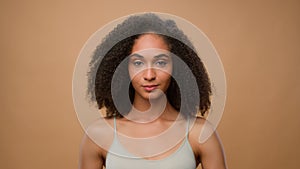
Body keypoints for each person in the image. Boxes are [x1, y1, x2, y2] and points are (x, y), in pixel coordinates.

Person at [79, 13, 227, 169]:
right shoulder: (99, 135)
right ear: (123, 68)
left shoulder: (199, 133)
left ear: (177, 67)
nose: (149, 75)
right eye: (138, 63)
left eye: (161, 62)